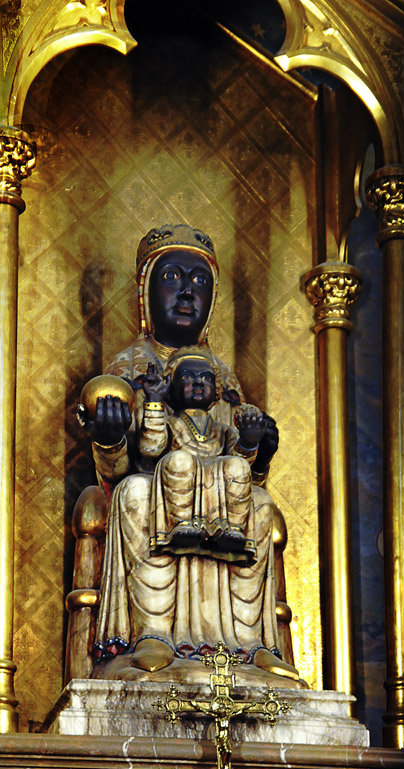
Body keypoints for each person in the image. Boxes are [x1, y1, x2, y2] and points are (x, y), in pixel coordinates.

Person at [76, 223, 299, 682]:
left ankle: (252, 644)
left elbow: (244, 471)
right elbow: (117, 470)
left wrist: (259, 449)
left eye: (199, 282)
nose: (186, 293)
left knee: (260, 508)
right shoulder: (127, 369)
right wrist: (110, 437)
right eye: (172, 277)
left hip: (216, 498)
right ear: (146, 293)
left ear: (212, 300)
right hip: (154, 492)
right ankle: (150, 632)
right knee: (135, 494)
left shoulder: (224, 377)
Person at [139, 349, 265, 563]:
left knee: (238, 466)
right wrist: (154, 403)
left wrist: (248, 441)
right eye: (187, 377)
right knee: (179, 460)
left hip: (216, 487)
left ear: (216, 391)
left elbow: (241, 460)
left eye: (206, 378)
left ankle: (232, 529)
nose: (198, 383)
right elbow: (151, 448)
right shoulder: (170, 424)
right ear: (170, 386)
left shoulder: (223, 430)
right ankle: (180, 525)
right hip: (183, 477)